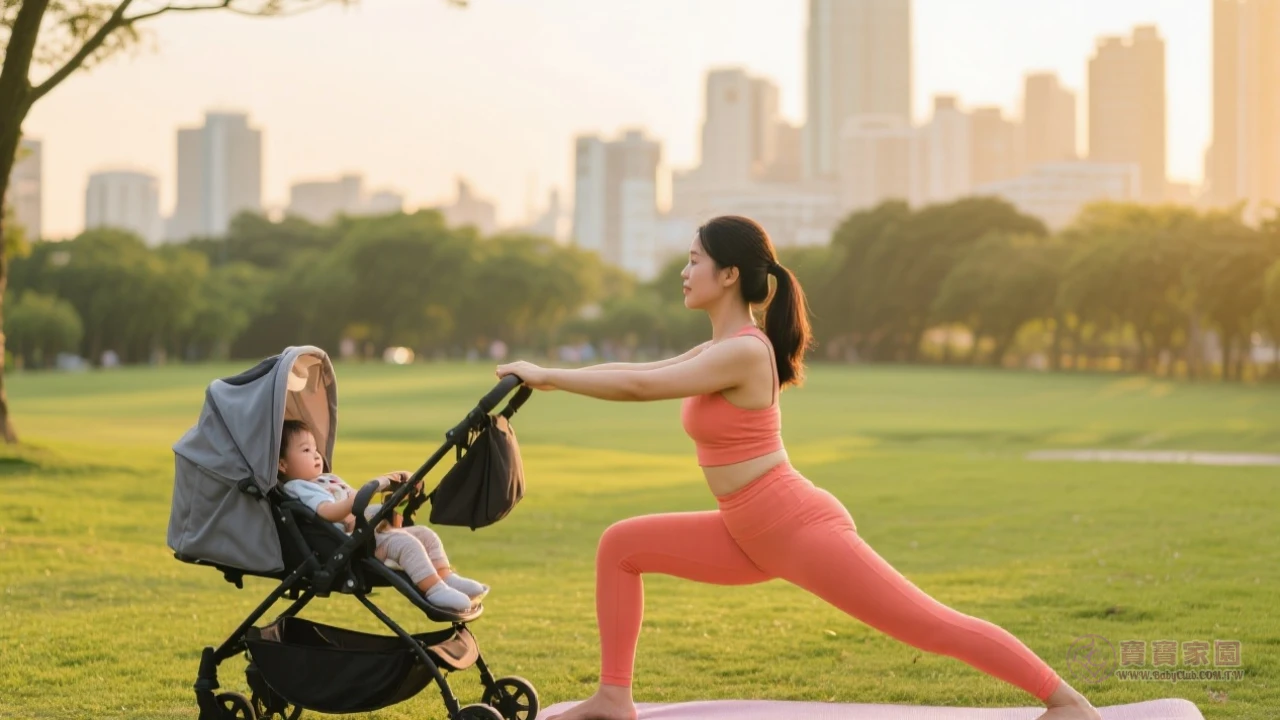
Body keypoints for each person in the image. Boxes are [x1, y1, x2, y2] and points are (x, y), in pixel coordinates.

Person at [495, 216, 1101, 720]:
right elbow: (639, 371)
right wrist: (545, 373)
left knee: (929, 625)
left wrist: (547, 377)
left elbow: (638, 388)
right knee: (621, 545)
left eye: (694, 260)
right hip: (746, 531)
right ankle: (613, 697)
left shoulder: (743, 352)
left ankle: (1065, 701)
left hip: (794, 527)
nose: (684, 272)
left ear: (729, 273)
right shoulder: (716, 348)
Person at [276, 419, 489, 611]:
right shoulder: (299, 487)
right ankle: (434, 590)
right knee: (406, 544)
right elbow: (328, 512)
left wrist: (384, 487)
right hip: (350, 547)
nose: (315, 454)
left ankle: (447, 577)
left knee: (425, 535)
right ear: (282, 465)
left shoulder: (328, 479)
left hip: (366, 533)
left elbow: (356, 500)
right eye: (305, 450)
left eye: (315, 448)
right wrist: (368, 492)